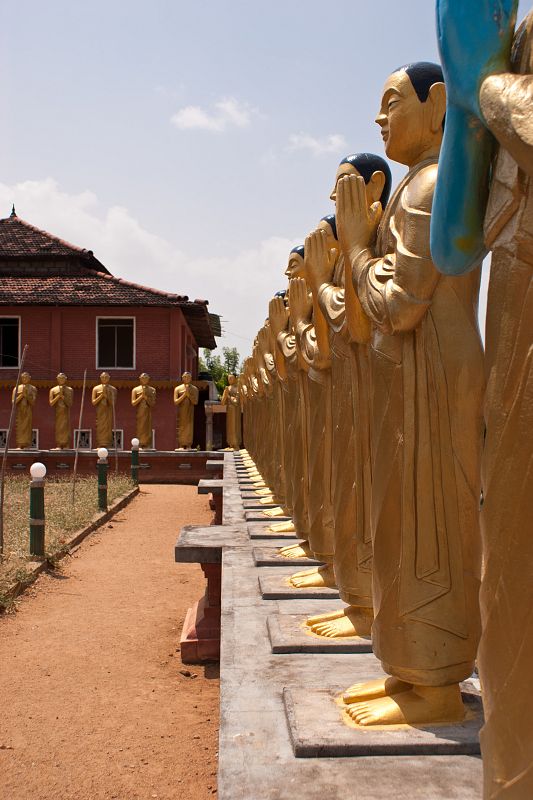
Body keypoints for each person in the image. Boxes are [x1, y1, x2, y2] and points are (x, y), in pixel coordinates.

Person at [336, 63, 485, 726]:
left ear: (437, 105)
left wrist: (353, 248)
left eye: (390, 103)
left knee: (430, 531)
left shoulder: (428, 188)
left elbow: (398, 304)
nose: (379, 118)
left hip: (433, 384)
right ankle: (407, 671)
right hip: (408, 383)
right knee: (399, 522)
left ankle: (437, 684)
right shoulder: (412, 188)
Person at [174, 372, 199, 449]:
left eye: (188, 377)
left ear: (191, 378)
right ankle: (181, 444)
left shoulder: (195, 389)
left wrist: (189, 395)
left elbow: (195, 402)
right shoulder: (178, 388)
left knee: (189, 427)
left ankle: (188, 444)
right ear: (182, 378)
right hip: (181, 412)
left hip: (190, 411)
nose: (187, 378)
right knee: (181, 427)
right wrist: (184, 395)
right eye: (185, 377)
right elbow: (176, 402)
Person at [49, 373, 73, 449]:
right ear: (57, 379)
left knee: (66, 427)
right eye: (60, 378)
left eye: (63, 378)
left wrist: (63, 397)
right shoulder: (53, 390)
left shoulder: (69, 390)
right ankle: (59, 444)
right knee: (59, 428)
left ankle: (66, 444)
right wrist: (58, 396)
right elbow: (51, 403)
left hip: (65, 412)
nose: (61, 380)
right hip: (58, 412)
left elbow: (70, 403)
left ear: (66, 379)